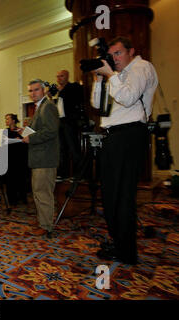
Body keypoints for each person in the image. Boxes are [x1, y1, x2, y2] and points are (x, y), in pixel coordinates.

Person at [91, 36, 158, 265]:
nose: (115, 58)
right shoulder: (116, 76)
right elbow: (97, 105)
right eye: (112, 54)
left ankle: (127, 251)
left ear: (131, 51)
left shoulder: (141, 67)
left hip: (129, 134)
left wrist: (111, 75)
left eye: (118, 53)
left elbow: (128, 98)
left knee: (122, 197)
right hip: (113, 136)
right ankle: (120, 243)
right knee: (110, 196)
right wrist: (100, 80)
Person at [23, 79, 59, 238]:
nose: (33, 93)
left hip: (45, 158)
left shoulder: (48, 106)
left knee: (43, 193)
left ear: (43, 90)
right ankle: (42, 220)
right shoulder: (40, 107)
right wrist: (24, 131)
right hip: (39, 158)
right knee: (38, 192)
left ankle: (46, 225)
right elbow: (40, 130)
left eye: (36, 90)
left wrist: (31, 138)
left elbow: (51, 131)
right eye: (30, 91)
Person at [54, 70, 84, 178]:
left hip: (70, 122)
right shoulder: (60, 92)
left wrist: (61, 91)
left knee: (73, 148)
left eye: (61, 76)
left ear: (67, 76)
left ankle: (78, 174)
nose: (59, 78)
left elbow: (76, 99)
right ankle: (63, 174)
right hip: (60, 122)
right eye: (57, 76)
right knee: (62, 149)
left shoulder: (73, 87)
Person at [3, 113, 28, 206]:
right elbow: (5, 141)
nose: (6, 121)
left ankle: (23, 198)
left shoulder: (20, 130)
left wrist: (20, 139)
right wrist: (18, 140)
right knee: (11, 180)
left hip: (21, 158)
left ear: (13, 120)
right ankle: (12, 200)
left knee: (21, 178)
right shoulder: (5, 130)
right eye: (5, 119)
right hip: (10, 159)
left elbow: (27, 140)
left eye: (8, 119)